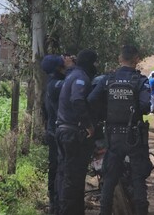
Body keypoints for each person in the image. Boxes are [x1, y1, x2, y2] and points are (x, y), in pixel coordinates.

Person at [87, 44, 152, 215]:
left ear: (119, 59)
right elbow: (146, 106)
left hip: (113, 136)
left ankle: (105, 212)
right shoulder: (140, 81)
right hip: (134, 136)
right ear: (136, 60)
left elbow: (92, 100)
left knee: (109, 179)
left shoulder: (107, 79)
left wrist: (107, 113)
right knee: (138, 179)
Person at [55, 49, 98, 215]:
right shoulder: (80, 77)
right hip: (72, 133)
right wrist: (89, 125)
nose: (96, 66)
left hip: (64, 130)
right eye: (95, 62)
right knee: (72, 179)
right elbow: (77, 101)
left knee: (69, 176)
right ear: (89, 62)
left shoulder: (72, 75)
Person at [41, 54, 75, 214]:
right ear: (59, 68)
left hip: (54, 131)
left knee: (58, 169)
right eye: (63, 62)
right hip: (56, 133)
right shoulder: (56, 84)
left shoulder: (53, 82)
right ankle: (56, 204)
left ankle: (58, 203)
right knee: (58, 170)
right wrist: (72, 69)